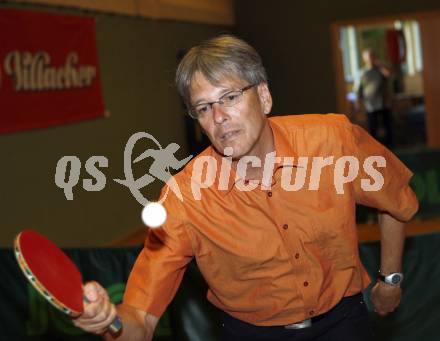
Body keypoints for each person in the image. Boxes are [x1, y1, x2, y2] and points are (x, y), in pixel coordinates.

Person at [73, 35, 418, 340]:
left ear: (264, 97)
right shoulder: (185, 198)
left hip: (345, 321)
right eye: (204, 108)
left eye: (230, 97)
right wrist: (110, 321)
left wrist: (390, 279)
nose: (219, 117)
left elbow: (396, 199)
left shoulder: (334, 139)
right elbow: (141, 320)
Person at [355, 49, 394, 147]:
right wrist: (358, 103)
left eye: (372, 56)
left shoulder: (380, 70)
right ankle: (374, 147)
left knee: (387, 125)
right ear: (365, 59)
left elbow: (389, 75)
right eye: (368, 57)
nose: (371, 59)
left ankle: (390, 146)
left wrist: (380, 65)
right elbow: (358, 89)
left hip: (384, 102)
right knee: (373, 127)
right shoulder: (362, 72)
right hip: (370, 104)